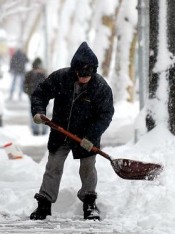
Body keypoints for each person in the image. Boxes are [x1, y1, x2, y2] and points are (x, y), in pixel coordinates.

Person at [29, 42, 114, 221]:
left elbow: (106, 114)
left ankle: (89, 203)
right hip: (60, 131)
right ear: (74, 70)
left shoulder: (100, 87)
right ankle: (44, 204)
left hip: (86, 136)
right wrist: (38, 111)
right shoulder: (61, 78)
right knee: (53, 166)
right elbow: (40, 93)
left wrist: (91, 136)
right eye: (81, 74)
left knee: (88, 168)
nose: (84, 78)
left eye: (88, 75)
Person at [24, 57, 48, 135]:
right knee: (41, 113)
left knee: (36, 113)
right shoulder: (43, 73)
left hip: (36, 97)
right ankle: (39, 130)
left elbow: (24, 86)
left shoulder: (30, 74)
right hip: (39, 97)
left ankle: (37, 130)